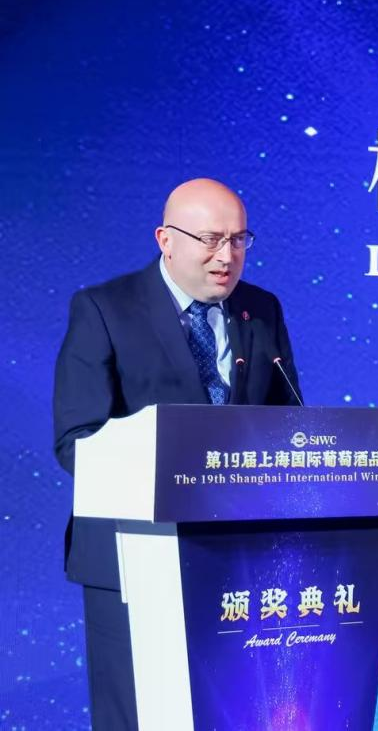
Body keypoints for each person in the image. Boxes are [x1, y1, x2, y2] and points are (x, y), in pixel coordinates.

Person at [52, 178, 302, 730]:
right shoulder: (105, 309)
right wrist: (179, 476)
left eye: (239, 240)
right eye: (210, 240)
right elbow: (77, 441)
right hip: (134, 556)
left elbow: (287, 425)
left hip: (237, 560)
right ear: (165, 239)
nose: (226, 256)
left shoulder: (261, 310)